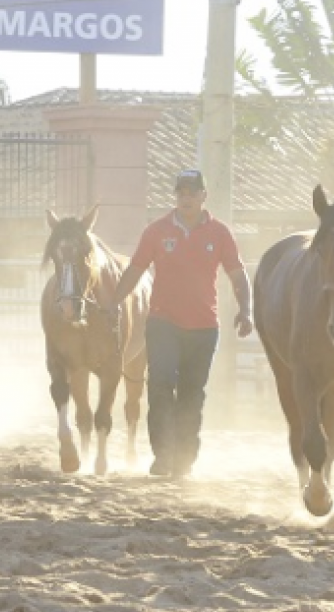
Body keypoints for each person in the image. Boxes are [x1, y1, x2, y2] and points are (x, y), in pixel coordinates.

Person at [107, 169, 254, 478]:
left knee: (192, 394)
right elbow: (135, 270)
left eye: (192, 193)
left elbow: (237, 274)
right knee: (160, 384)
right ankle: (163, 455)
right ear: (176, 197)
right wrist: (114, 301)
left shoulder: (220, 233)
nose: (186, 199)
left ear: (203, 196)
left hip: (203, 326)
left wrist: (246, 310)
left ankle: (185, 459)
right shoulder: (157, 231)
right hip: (163, 322)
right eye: (181, 193)